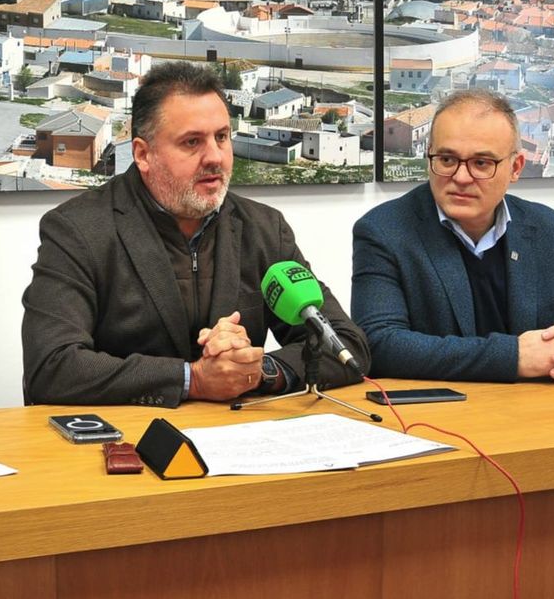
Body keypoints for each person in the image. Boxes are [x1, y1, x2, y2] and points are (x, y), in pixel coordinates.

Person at [21, 62, 369, 407]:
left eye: (221, 137)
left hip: (238, 441)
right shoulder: (79, 231)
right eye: (192, 142)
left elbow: (346, 346)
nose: (215, 157)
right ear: (143, 154)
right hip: (125, 442)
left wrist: (257, 370)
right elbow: (51, 366)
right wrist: (194, 379)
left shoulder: (264, 229)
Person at [352, 88, 554, 382]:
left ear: (515, 168)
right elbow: (379, 344)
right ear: (429, 158)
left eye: (481, 163)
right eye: (447, 160)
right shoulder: (384, 231)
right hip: (440, 415)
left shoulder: (547, 228)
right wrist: (513, 357)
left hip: (538, 412)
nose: (461, 177)